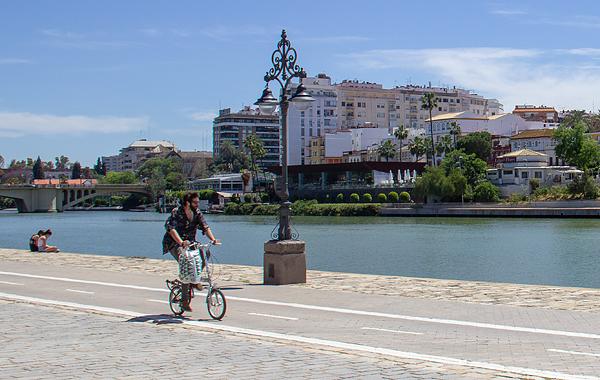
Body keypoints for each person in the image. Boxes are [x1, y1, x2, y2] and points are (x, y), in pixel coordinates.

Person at [163, 191, 220, 312]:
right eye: (195, 202)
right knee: (187, 263)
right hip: (175, 243)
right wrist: (181, 242)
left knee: (205, 253)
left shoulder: (197, 213)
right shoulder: (177, 212)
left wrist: (213, 239)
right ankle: (184, 300)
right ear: (188, 203)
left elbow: (205, 227)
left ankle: (194, 279)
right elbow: (171, 229)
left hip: (190, 243)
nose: (198, 204)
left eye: (198, 202)